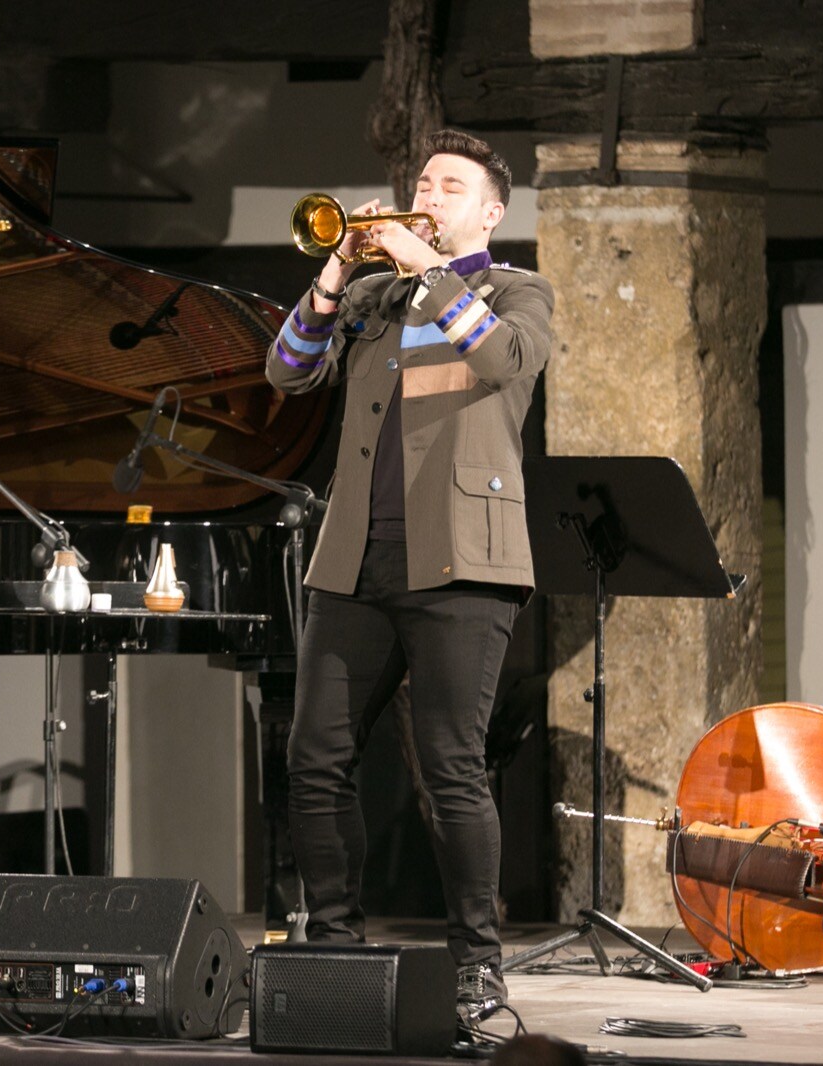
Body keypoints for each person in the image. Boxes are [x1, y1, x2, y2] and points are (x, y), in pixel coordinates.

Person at [266, 130, 553, 1020]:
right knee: (315, 760)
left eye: (450, 185)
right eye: (424, 180)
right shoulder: (374, 299)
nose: (428, 192)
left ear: (490, 211)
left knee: (452, 767)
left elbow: (500, 361)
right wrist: (329, 280)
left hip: (463, 561)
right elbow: (285, 372)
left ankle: (477, 961)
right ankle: (335, 947)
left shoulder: (517, 291)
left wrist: (431, 269)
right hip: (354, 557)